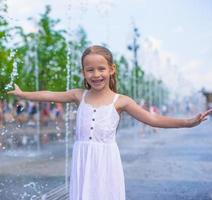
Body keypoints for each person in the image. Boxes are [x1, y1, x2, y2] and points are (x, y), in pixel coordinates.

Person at [7, 45, 212, 200]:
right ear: (83, 73)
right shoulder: (79, 95)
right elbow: (50, 94)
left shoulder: (121, 101)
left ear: (111, 69)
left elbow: (153, 118)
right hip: (83, 160)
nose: (96, 75)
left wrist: (188, 122)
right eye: (90, 70)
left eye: (101, 69)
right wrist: (23, 93)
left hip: (106, 163)